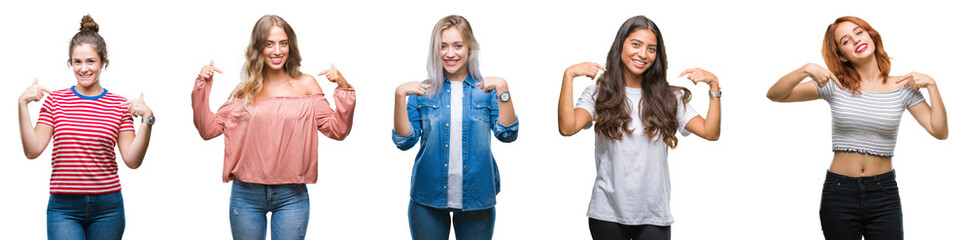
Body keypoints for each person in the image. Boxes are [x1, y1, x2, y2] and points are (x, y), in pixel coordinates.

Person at [765, 16, 948, 240]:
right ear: (842, 55)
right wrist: (805, 70)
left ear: (870, 36)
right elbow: (775, 95)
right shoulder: (835, 85)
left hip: (884, 194)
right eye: (845, 40)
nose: (855, 40)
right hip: (839, 192)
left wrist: (932, 86)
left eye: (859, 32)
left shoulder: (903, 87)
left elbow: (939, 131)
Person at [557, 15, 722, 240]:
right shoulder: (598, 94)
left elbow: (710, 132)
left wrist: (714, 87)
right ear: (621, 45)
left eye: (651, 49)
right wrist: (568, 76)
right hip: (607, 213)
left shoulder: (669, 98)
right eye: (636, 44)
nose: (643, 54)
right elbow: (567, 128)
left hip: (654, 215)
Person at [191, 14, 355, 240]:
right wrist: (202, 86)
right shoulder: (244, 90)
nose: (277, 50)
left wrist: (343, 87)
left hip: (292, 195)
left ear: (291, 46)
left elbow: (337, 130)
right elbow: (208, 129)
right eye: (269, 44)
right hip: (246, 195)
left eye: (283, 43)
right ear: (258, 48)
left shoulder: (306, 85)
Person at [17, 15, 155, 240]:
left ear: (103, 61)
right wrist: (22, 104)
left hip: (108, 208)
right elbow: (32, 150)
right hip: (64, 209)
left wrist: (147, 120)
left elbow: (132, 160)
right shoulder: (55, 101)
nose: (83, 69)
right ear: (71, 63)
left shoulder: (119, 105)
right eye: (77, 62)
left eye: (91, 61)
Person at [392, 15, 518, 240]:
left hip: (478, 197)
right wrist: (399, 96)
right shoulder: (423, 91)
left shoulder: (487, 90)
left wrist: (503, 89)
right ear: (435, 50)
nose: (450, 54)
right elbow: (404, 142)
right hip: (427, 197)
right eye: (443, 46)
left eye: (457, 45)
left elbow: (507, 134)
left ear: (470, 48)